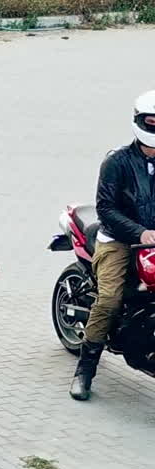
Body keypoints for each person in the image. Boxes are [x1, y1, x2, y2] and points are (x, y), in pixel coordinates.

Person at [71, 91, 155, 401]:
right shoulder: (117, 161)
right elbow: (105, 209)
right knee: (109, 300)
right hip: (118, 239)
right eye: (152, 121)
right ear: (139, 121)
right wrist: (139, 232)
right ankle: (84, 371)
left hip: (152, 242)